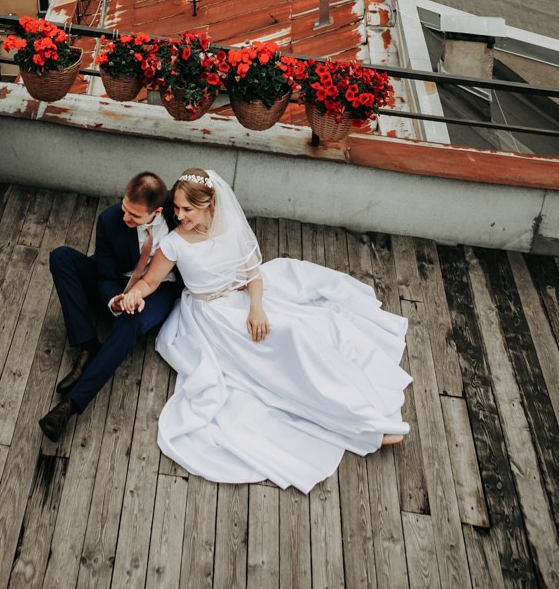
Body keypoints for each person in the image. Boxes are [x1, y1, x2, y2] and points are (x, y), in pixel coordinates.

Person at [119, 167, 411, 492]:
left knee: (303, 329)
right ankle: (363, 425)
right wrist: (134, 294)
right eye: (176, 208)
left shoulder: (229, 228)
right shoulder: (174, 243)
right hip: (213, 317)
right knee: (285, 344)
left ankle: (361, 410)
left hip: (247, 300)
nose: (179, 215)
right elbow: (149, 282)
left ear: (209, 205)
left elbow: (253, 274)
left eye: (187, 209)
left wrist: (256, 308)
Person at [39, 170, 177, 442]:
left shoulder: (177, 217)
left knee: (130, 324)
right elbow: (104, 275)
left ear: (157, 212)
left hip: (160, 289)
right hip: (118, 280)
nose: (125, 217)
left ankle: (69, 407)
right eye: (125, 208)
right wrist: (115, 299)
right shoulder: (110, 219)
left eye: (134, 216)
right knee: (62, 257)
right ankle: (88, 344)